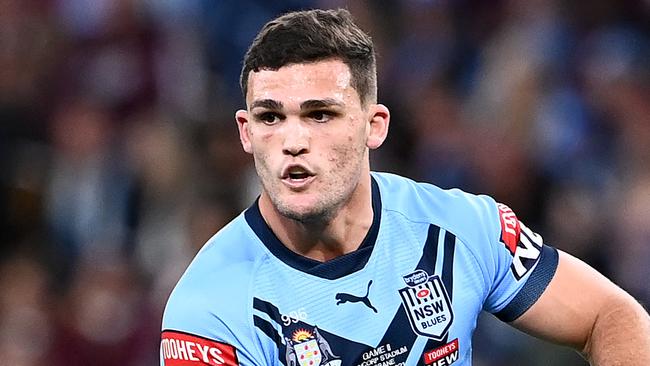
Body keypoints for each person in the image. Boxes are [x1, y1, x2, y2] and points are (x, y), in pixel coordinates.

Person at [160, 8, 650, 366]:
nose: (292, 142)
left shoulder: (461, 229)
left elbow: (611, 314)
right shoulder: (209, 313)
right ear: (246, 133)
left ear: (375, 126)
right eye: (271, 117)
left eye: (320, 115)